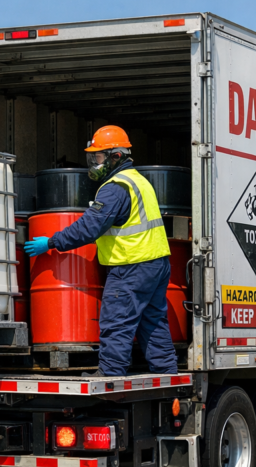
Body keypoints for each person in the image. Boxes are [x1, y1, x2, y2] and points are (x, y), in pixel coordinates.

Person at [24, 125, 177, 376]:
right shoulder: (139, 181)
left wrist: (51, 242)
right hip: (156, 263)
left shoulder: (115, 187)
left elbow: (89, 227)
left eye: (98, 157)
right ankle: (169, 375)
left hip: (131, 265)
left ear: (115, 156)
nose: (94, 163)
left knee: (116, 321)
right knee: (153, 323)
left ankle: (110, 374)